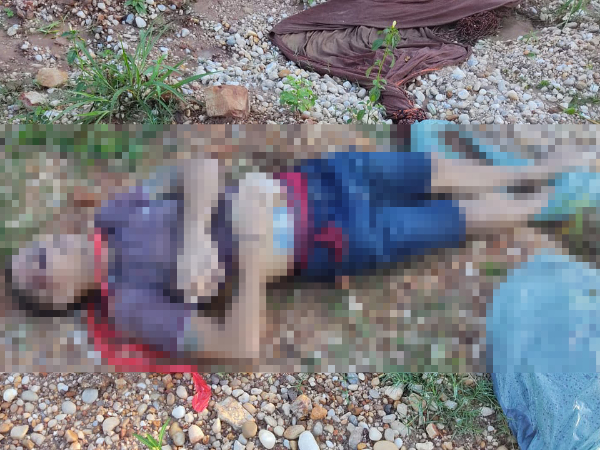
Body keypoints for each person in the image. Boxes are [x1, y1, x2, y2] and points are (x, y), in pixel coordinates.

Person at [8, 147, 595, 367]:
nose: (43, 253)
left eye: (33, 249)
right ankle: (547, 204)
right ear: (61, 300)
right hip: (331, 240)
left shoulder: (113, 216)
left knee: (430, 170)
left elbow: (200, 169)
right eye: (36, 273)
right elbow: (237, 347)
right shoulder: (130, 307)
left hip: (317, 180)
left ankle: (534, 169)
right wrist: (253, 250)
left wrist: (194, 235)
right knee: (454, 220)